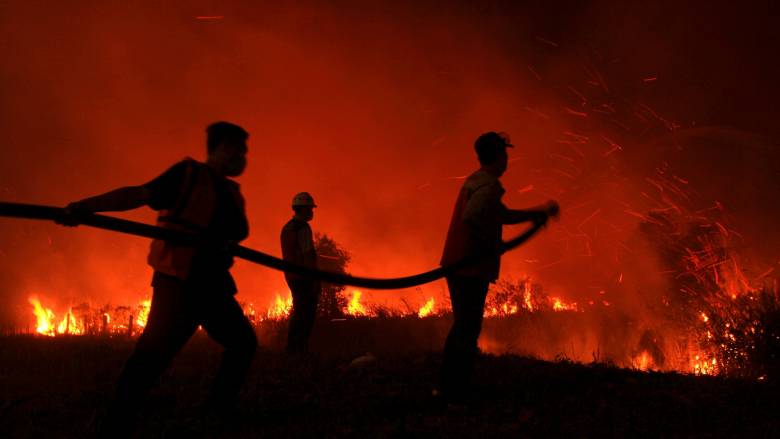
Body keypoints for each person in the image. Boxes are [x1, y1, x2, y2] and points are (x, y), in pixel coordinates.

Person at [58, 121, 257, 430]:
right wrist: (85, 208)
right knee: (153, 355)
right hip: (179, 283)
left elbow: (235, 233)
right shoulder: (188, 175)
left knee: (243, 343)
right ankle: (116, 419)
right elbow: (136, 195)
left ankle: (218, 409)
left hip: (213, 285)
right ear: (219, 148)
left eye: (244, 152)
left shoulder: (232, 193)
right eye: (237, 149)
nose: (242, 157)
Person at [438, 131, 559, 403]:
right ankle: (456, 389)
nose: (507, 161)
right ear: (497, 157)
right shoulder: (489, 185)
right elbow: (472, 218)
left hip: (459, 264)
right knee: (467, 328)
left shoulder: (476, 181)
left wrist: (534, 214)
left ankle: (451, 385)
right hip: (469, 266)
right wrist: (488, 245)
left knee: (463, 326)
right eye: (505, 155)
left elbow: (500, 215)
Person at [281, 192, 321, 354]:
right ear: (303, 209)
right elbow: (308, 254)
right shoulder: (303, 227)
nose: (312, 212)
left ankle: (292, 348)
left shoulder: (287, 227)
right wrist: (315, 279)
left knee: (299, 311)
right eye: (310, 208)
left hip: (291, 276)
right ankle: (299, 349)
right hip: (305, 277)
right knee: (307, 313)